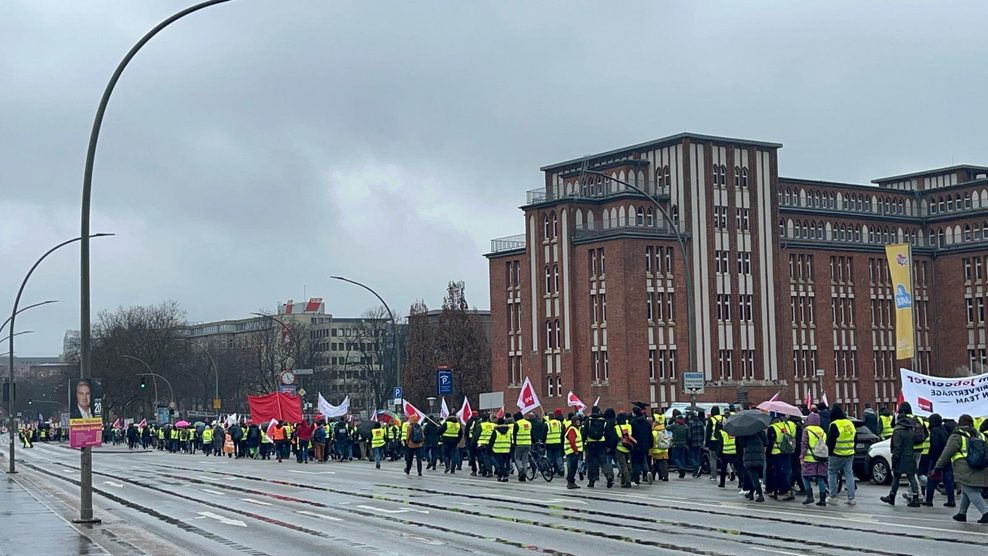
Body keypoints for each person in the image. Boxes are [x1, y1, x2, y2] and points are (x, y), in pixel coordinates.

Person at [931, 414, 988, 523]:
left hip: (964, 467)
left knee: (971, 491)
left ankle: (985, 512)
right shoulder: (980, 435)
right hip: (980, 466)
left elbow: (947, 453)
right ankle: (962, 513)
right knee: (967, 490)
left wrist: (938, 467)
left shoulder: (957, 436)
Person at [881, 402, 921, 507]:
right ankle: (915, 497)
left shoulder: (898, 431)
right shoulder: (910, 429)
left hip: (901, 457)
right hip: (910, 455)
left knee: (896, 477)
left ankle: (892, 496)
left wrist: (894, 459)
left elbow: (897, 447)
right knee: (911, 477)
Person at [826, 404, 856, 506]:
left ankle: (833, 496)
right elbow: (855, 438)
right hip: (849, 453)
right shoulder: (850, 423)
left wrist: (829, 452)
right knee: (849, 474)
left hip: (836, 454)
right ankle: (851, 498)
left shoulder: (834, 424)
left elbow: (831, 441)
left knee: (832, 473)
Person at [923, 413, 955, 507]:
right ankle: (951, 500)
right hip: (946, 457)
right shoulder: (944, 429)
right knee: (948, 479)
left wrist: (932, 457)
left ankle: (929, 500)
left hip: (936, 458)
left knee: (932, 479)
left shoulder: (934, 431)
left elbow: (935, 446)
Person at [800, 412, 828, 506]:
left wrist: (802, 457)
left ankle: (809, 496)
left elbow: (804, 444)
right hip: (821, 458)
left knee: (805, 476)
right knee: (820, 478)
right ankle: (822, 499)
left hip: (809, 458)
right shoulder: (822, 431)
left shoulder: (806, 430)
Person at [766, 412, 796, 501]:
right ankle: (778, 491)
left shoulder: (772, 428)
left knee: (778, 473)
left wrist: (767, 454)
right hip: (786, 451)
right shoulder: (785, 426)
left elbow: (770, 443)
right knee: (784, 472)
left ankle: (787, 491)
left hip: (776, 453)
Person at [583, 407, 615, 488]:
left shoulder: (588, 421)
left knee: (591, 463)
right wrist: (608, 445)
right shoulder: (604, 421)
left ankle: (591, 481)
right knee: (603, 462)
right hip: (601, 443)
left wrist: (583, 443)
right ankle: (608, 476)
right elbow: (608, 434)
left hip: (590, 444)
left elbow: (584, 433)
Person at [738, 428, 767, 502]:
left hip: (750, 457)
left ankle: (759, 494)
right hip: (760, 456)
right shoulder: (761, 432)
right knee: (753, 475)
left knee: (753, 475)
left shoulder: (745, 432)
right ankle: (751, 493)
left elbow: (741, 444)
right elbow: (766, 442)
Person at [630, 407, 653, 484]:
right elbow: (650, 434)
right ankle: (647, 472)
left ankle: (636, 478)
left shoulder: (633, 422)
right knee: (643, 460)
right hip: (645, 445)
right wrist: (650, 444)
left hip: (636, 445)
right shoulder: (646, 423)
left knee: (635, 462)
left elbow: (631, 435)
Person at [491, 417, 513, 482]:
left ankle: (505, 475)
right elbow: (510, 439)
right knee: (502, 463)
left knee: (500, 464)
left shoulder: (496, 431)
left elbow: (492, 440)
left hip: (498, 449)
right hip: (506, 449)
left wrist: (489, 448)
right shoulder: (508, 430)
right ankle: (500, 475)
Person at [565, 414, 584, 489]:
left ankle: (571, 482)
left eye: (579, 420)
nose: (578, 422)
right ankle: (570, 482)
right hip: (572, 451)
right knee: (572, 468)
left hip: (572, 451)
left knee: (573, 467)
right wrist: (576, 450)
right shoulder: (573, 429)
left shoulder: (575, 429)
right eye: (577, 421)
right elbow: (572, 441)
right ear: (573, 422)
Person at [667, 414, 689, 478]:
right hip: (683, 444)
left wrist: (671, 422)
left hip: (676, 444)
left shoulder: (674, 426)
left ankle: (681, 468)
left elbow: (667, 428)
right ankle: (682, 472)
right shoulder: (685, 426)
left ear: (677, 419)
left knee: (675, 458)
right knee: (682, 458)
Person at [545, 409, 565, 477]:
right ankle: (561, 469)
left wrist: (542, 441)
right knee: (558, 457)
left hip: (549, 443)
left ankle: (549, 470)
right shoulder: (559, 423)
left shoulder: (547, 423)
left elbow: (544, 434)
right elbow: (562, 432)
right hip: (558, 443)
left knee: (549, 458)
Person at [651, 415, 670, 482]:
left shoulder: (654, 432)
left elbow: (652, 442)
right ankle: (665, 476)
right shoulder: (664, 431)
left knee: (656, 464)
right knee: (664, 463)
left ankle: (654, 476)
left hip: (657, 450)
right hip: (665, 449)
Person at [688, 410, 706, 476]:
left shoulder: (691, 423)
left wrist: (689, 442)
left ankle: (696, 468)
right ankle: (697, 470)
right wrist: (702, 441)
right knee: (697, 456)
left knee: (691, 457)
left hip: (693, 443)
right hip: (699, 443)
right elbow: (703, 433)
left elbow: (689, 435)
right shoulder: (701, 423)